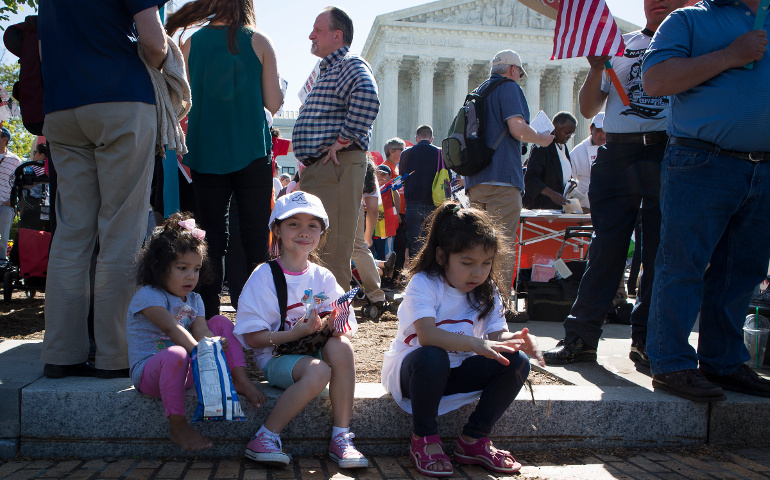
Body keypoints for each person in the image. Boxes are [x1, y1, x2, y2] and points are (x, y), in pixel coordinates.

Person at [543, 0, 688, 367]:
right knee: (605, 248)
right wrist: (595, 69)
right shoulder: (619, 46)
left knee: (659, 252)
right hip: (618, 153)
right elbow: (589, 109)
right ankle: (581, 337)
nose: (659, 2)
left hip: (668, 151)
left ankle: (647, 341)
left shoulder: (690, 42)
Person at [641, 0, 770, 401]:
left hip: (764, 167)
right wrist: (732, 55)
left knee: (743, 272)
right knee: (684, 264)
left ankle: (725, 361)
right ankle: (672, 363)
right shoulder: (689, 20)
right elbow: (656, 80)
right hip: (702, 160)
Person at [38, 0, 168, 378]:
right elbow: (154, 41)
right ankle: (115, 355)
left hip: (62, 109)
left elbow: (45, 49)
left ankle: (61, 353)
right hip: (120, 99)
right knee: (122, 231)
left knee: (71, 234)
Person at [381, 201, 545, 477]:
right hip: (417, 376)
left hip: (458, 373)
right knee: (433, 354)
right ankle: (425, 438)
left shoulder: (487, 290)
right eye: (467, 263)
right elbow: (427, 335)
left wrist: (513, 340)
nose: (478, 272)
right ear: (442, 256)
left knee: (516, 361)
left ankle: (473, 440)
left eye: (486, 263)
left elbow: (495, 336)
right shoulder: (425, 283)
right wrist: (475, 344)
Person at [166, 0, 284, 318]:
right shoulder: (258, 41)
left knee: (211, 237)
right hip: (252, 150)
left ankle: (208, 315)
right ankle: (258, 314)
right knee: (255, 235)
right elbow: (272, 102)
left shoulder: (190, 43)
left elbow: (181, 102)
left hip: (205, 152)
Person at [234, 191, 368, 469]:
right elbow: (253, 338)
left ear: (321, 232)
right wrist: (296, 333)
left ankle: (341, 438)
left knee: (341, 346)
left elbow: (347, 326)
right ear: (277, 230)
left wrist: (333, 324)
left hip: (312, 352)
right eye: (294, 223)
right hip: (276, 357)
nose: (304, 232)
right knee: (320, 370)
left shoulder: (323, 276)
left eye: (313, 225)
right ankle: (265, 437)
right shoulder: (264, 276)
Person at [126, 213, 266, 451]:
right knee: (177, 353)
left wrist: (213, 342)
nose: (191, 276)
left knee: (221, 321)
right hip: (151, 375)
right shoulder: (148, 296)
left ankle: (240, 379)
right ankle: (178, 425)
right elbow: (172, 328)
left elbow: (200, 328)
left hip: (187, 367)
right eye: (182, 268)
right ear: (158, 267)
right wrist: (203, 351)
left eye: (196, 268)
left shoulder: (194, 299)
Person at [292, 6, 380, 290]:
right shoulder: (333, 67)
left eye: (318, 30)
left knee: (333, 252)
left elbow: (368, 97)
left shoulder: (349, 64)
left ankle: (336, 325)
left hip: (336, 166)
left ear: (337, 35)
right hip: (326, 168)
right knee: (320, 250)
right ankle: (323, 320)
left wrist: (342, 140)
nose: (310, 36)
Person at [464, 50, 554, 297]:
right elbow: (517, 128)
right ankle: (498, 304)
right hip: (502, 179)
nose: (520, 78)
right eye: (521, 74)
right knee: (501, 246)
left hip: (476, 180)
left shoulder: (480, 91)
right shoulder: (509, 88)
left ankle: (475, 299)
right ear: (514, 69)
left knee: (477, 245)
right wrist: (541, 139)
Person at [400, 125, 442, 259]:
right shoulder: (440, 153)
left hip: (413, 204)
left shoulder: (406, 153)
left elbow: (402, 176)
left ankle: (416, 276)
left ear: (416, 138)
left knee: (415, 244)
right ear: (432, 138)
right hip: (434, 204)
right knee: (433, 242)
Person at [351, 158, 386, 311]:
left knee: (333, 249)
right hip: (353, 205)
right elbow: (372, 209)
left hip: (328, 204)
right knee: (359, 249)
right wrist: (367, 236)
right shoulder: (367, 170)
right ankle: (376, 296)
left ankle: (340, 296)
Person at [523, 112, 578, 210]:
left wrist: (571, 183)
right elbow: (531, 177)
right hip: (541, 208)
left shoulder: (563, 147)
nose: (569, 136)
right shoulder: (543, 146)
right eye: (566, 132)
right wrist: (552, 194)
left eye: (571, 134)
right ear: (555, 126)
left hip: (558, 209)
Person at [569, 112, 606, 212]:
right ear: (591, 129)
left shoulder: (617, 149)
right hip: (586, 210)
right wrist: (579, 204)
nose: (603, 135)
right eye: (598, 131)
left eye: (606, 131)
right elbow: (568, 183)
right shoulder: (578, 152)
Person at [0, 128, 21, 264]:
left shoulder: (15, 160)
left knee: (4, 238)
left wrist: (12, 200)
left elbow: (19, 183)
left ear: (4, 139)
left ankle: (2, 262)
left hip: (5, 204)